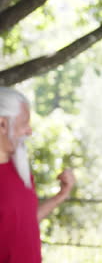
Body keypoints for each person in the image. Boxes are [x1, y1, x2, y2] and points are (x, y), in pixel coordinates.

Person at [0, 87, 76, 263]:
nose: (29, 131)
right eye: (24, 123)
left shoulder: (21, 171)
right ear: (3, 124)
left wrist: (61, 195)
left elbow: (25, 221)